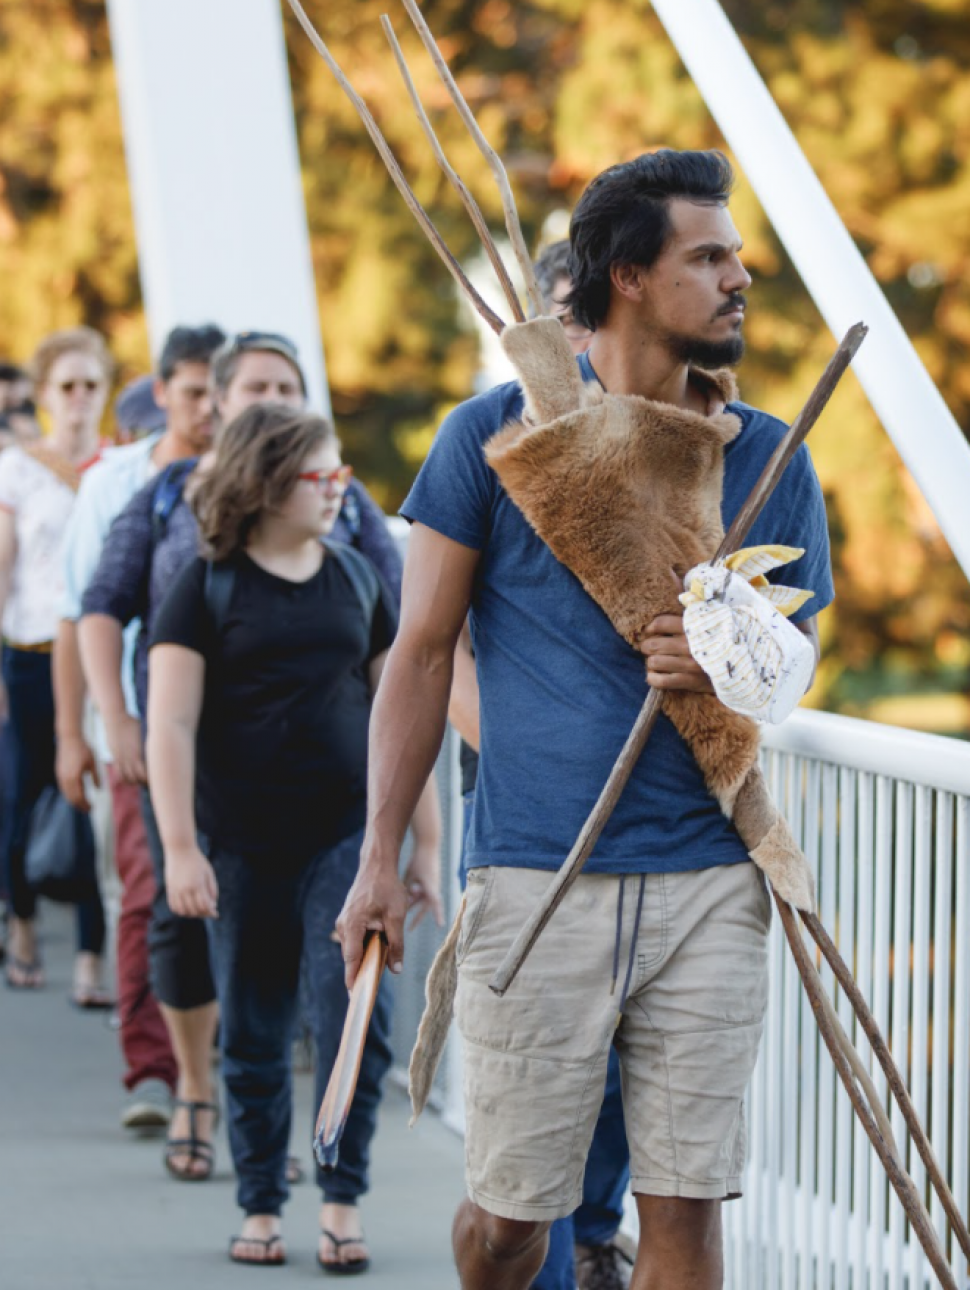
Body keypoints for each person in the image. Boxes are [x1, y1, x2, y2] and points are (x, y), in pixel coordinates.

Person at [337, 149, 835, 1290]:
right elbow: (417, 654)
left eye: (737, 256)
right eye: (707, 257)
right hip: (536, 873)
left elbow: (787, 666)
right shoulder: (492, 438)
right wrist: (377, 860)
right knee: (513, 1225)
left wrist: (716, 667)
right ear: (626, 276)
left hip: (712, 874)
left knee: (688, 1217)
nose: (736, 277)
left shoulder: (767, 456)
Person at [78, 331, 408, 1196]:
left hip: (329, 807)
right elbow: (103, 607)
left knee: (320, 992)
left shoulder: (346, 516)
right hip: (194, 768)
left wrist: (420, 823)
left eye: (292, 385)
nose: (281, 398)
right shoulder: (163, 504)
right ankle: (195, 1089)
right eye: (262, 385)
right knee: (177, 926)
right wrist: (112, 718)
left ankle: (324, 1179)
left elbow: (402, 639)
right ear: (224, 403)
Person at [145, 403, 442, 1268]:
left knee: (357, 1014)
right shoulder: (204, 587)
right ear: (270, 484)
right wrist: (178, 847)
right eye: (325, 475)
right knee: (255, 1024)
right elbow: (169, 725)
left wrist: (420, 844)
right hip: (240, 845)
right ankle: (263, 1203)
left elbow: (403, 715)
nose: (339, 489)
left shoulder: (356, 576)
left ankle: (342, 1199)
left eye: (342, 473)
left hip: (346, 843)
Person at [449, 240, 633, 1290]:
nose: (579, 338)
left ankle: (600, 1228)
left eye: (591, 318)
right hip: (525, 820)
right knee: (543, 1090)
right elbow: (438, 643)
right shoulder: (485, 438)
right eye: (564, 315)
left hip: (655, 836)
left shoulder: (658, 436)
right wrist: (522, 750)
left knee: (616, 1080)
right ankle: (552, 1259)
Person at [54, 324, 225, 1133]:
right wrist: (93, 725)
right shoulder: (122, 485)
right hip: (140, 722)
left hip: (242, 736)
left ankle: (219, 1060)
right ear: (162, 393)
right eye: (192, 391)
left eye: (217, 391)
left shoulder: (261, 470)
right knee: (151, 889)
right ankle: (157, 1069)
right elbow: (81, 610)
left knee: (224, 896)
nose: (208, 407)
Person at [0, 326, 113, 998]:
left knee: (89, 801)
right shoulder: (17, 469)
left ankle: (92, 956)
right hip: (30, 652)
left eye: (89, 386)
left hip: (98, 657)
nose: (77, 398)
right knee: (24, 790)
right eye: (66, 386)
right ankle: (22, 922)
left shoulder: (119, 466)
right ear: (44, 394)